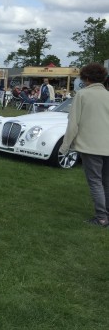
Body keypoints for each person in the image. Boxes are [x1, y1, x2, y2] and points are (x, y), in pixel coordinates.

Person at [61, 63, 109, 228]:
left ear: (86, 78)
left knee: (95, 181)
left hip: (91, 146)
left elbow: (73, 123)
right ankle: (106, 214)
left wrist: (64, 146)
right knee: (106, 181)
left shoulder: (82, 95)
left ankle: (102, 218)